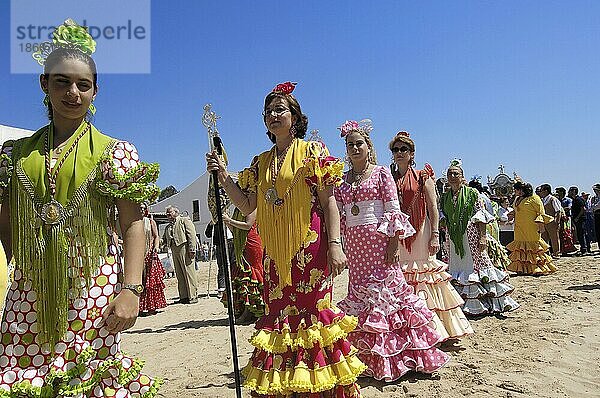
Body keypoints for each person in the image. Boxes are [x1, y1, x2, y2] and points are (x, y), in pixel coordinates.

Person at [0, 20, 161, 395]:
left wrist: (132, 290)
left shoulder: (115, 152)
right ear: (44, 84)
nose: (72, 92)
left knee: (88, 378)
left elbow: (133, 223)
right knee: (24, 375)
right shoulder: (13, 156)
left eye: (82, 85)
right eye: (62, 82)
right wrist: (25, 263)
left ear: (94, 90)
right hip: (31, 290)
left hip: (93, 286)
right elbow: (5, 217)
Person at [206, 82, 364, 397]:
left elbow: (329, 201)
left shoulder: (312, 152)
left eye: (280, 109)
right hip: (274, 253)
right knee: (279, 315)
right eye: (268, 111)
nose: (273, 115)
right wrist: (223, 177)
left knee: (313, 313)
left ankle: (318, 387)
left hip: (311, 246)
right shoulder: (259, 161)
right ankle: (288, 386)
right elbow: (248, 205)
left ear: (294, 116)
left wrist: (335, 244)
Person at [335, 123, 449, 381]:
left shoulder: (380, 174)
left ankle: (404, 356)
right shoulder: (342, 181)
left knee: (389, 296)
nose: (354, 148)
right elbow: (339, 212)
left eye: (358, 143)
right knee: (362, 296)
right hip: (355, 247)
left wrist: (393, 243)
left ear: (368, 147)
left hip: (379, 244)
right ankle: (369, 356)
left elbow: (392, 208)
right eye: (349, 144)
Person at [389, 131, 473, 341]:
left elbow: (433, 208)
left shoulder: (422, 177)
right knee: (402, 275)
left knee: (424, 273)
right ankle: (407, 327)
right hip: (398, 233)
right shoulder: (389, 178)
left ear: (411, 153)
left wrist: (435, 234)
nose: (399, 153)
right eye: (395, 149)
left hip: (421, 231)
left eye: (403, 149)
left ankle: (432, 329)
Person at [440, 159, 519, 315]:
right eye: (450, 173)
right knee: (457, 265)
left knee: (477, 264)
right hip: (453, 238)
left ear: (463, 176)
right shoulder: (445, 198)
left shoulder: (472, 193)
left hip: (472, 236)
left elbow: (481, 216)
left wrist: (482, 237)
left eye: (456, 173)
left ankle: (484, 301)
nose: (453, 175)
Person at [222, 208, 265, 324]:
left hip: (252, 242)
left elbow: (248, 225)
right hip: (241, 242)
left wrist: (229, 220)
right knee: (241, 274)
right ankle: (245, 310)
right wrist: (227, 221)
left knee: (250, 274)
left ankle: (250, 312)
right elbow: (236, 230)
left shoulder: (251, 206)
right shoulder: (238, 208)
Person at [506, 182, 557, 275]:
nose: (515, 191)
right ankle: (522, 268)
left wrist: (541, 226)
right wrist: (512, 214)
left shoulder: (534, 198)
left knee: (533, 246)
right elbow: (517, 209)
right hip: (519, 228)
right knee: (521, 247)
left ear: (522, 190)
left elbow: (541, 212)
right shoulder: (517, 199)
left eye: (516, 189)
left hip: (531, 227)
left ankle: (537, 268)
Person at [468, 179, 510, 270]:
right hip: (492, 224)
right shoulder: (485, 196)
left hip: (484, 224)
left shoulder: (477, 197)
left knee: (487, 247)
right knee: (494, 245)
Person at [161, 205, 198, 303]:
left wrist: (192, 249)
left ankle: (193, 296)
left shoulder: (184, 220)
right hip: (174, 250)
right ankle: (183, 296)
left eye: (170, 213)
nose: (168, 215)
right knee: (179, 274)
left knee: (189, 272)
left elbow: (191, 235)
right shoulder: (168, 227)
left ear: (176, 212)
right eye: (167, 213)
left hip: (184, 248)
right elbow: (164, 239)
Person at [139, 203, 167, 315]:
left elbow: (156, 236)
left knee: (151, 280)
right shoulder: (134, 222)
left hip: (149, 252)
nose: (141, 210)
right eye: (139, 208)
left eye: (143, 208)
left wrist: (155, 248)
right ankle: (139, 307)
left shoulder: (150, 222)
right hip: (138, 253)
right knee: (139, 279)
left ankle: (152, 306)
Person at [537, 184, 562, 259]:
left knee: (554, 238)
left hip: (552, 222)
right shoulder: (541, 200)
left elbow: (558, 211)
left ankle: (556, 253)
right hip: (544, 222)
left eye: (541, 191)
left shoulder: (553, 199)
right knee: (544, 238)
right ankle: (546, 253)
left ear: (546, 191)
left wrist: (556, 222)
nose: (540, 192)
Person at [568, 186, 591, 255]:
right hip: (577, 219)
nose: (569, 192)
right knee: (580, 234)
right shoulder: (574, 200)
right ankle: (583, 248)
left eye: (570, 191)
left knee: (582, 234)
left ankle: (585, 249)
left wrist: (577, 217)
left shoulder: (578, 199)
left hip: (580, 220)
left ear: (574, 191)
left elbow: (583, 209)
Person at [555, 187, 577, 255]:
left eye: (558, 192)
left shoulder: (568, 200)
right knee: (560, 234)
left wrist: (561, 210)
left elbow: (569, 208)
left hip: (566, 218)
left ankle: (568, 249)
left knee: (567, 234)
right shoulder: (556, 200)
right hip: (559, 218)